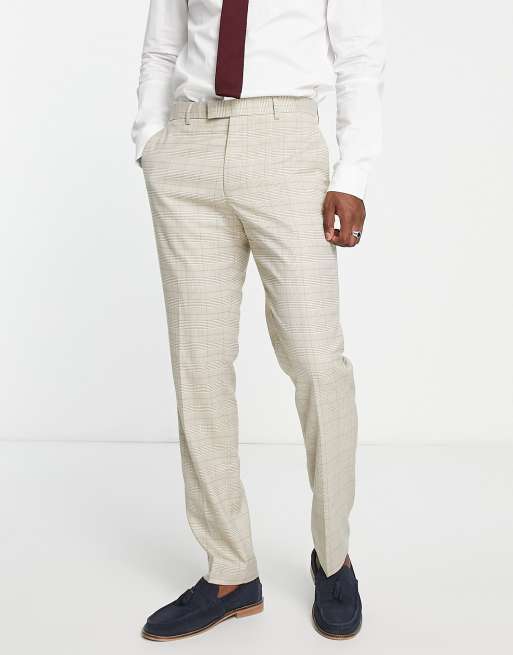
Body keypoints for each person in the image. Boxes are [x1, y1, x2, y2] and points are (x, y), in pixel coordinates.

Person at [131, 0, 384, 641]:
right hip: (186, 147)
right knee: (199, 363)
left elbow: (358, 58)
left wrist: (353, 174)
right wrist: (150, 140)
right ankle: (229, 572)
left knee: (317, 362)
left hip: (284, 142)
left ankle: (334, 558)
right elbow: (162, 47)